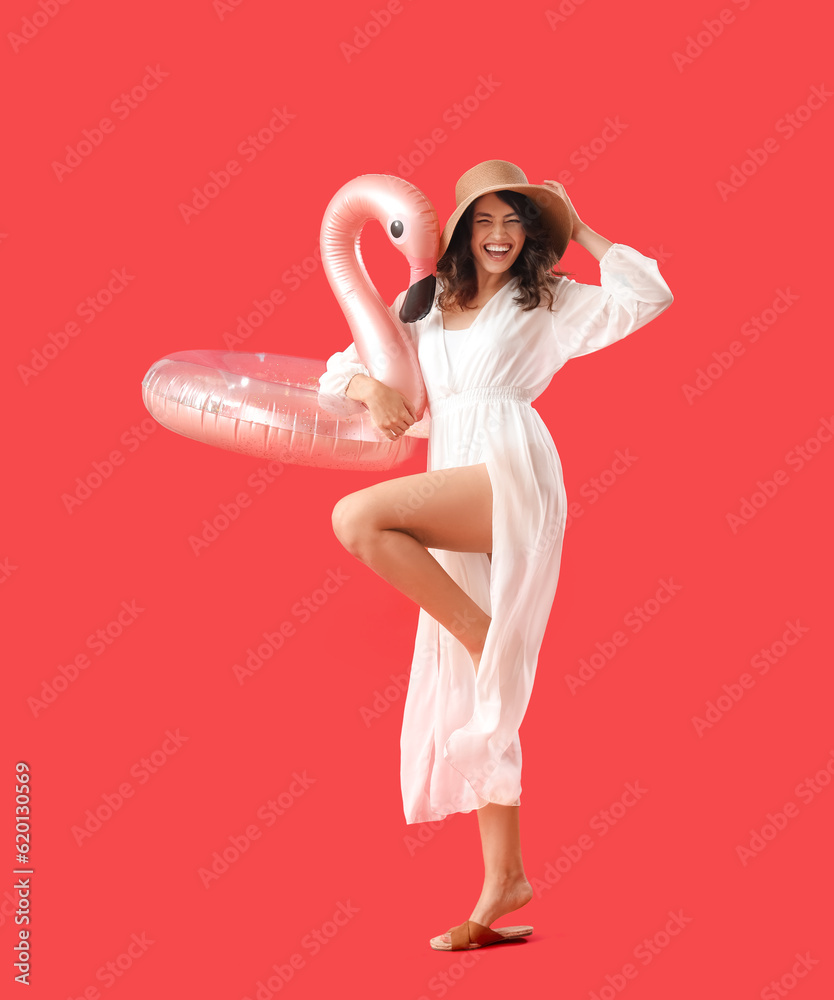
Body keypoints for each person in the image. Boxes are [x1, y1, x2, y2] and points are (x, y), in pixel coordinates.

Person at [317, 159, 674, 951]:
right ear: (460, 229)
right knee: (472, 695)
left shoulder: (546, 300)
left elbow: (650, 296)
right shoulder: (425, 304)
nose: (501, 235)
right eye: (485, 220)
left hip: (512, 472)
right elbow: (344, 368)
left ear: (532, 233)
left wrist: (578, 225)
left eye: (515, 221)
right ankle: (504, 877)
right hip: (452, 469)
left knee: (358, 520)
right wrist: (365, 392)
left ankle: (485, 634)